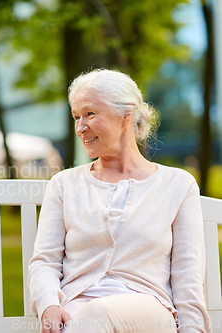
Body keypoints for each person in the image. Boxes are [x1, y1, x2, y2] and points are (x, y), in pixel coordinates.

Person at [28, 69, 211, 333]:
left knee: (97, 314)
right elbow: (45, 260)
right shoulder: (64, 184)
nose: (81, 127)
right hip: (77, 306)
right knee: (85, 320)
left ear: (126, 114)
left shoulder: (178, 185)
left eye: (90, 114)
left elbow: (187, 275)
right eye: (76, 117)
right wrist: (48, 305)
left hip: (149, 310)